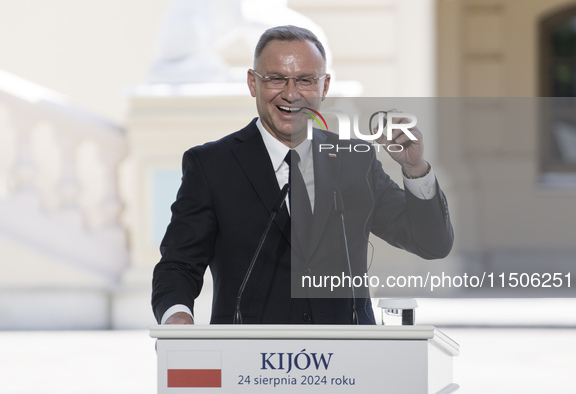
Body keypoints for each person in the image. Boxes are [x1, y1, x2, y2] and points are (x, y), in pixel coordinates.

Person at [151, 25, 453, 325]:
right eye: (276, 79)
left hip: (349, 360)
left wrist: (414, 169)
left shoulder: (355, 161)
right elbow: (179, 264)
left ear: (324, 86)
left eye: (305, 80)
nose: (291, 93)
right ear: (253, 83)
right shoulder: (211, 165)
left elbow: (431, 244)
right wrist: (177, 317)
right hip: (249, 360)